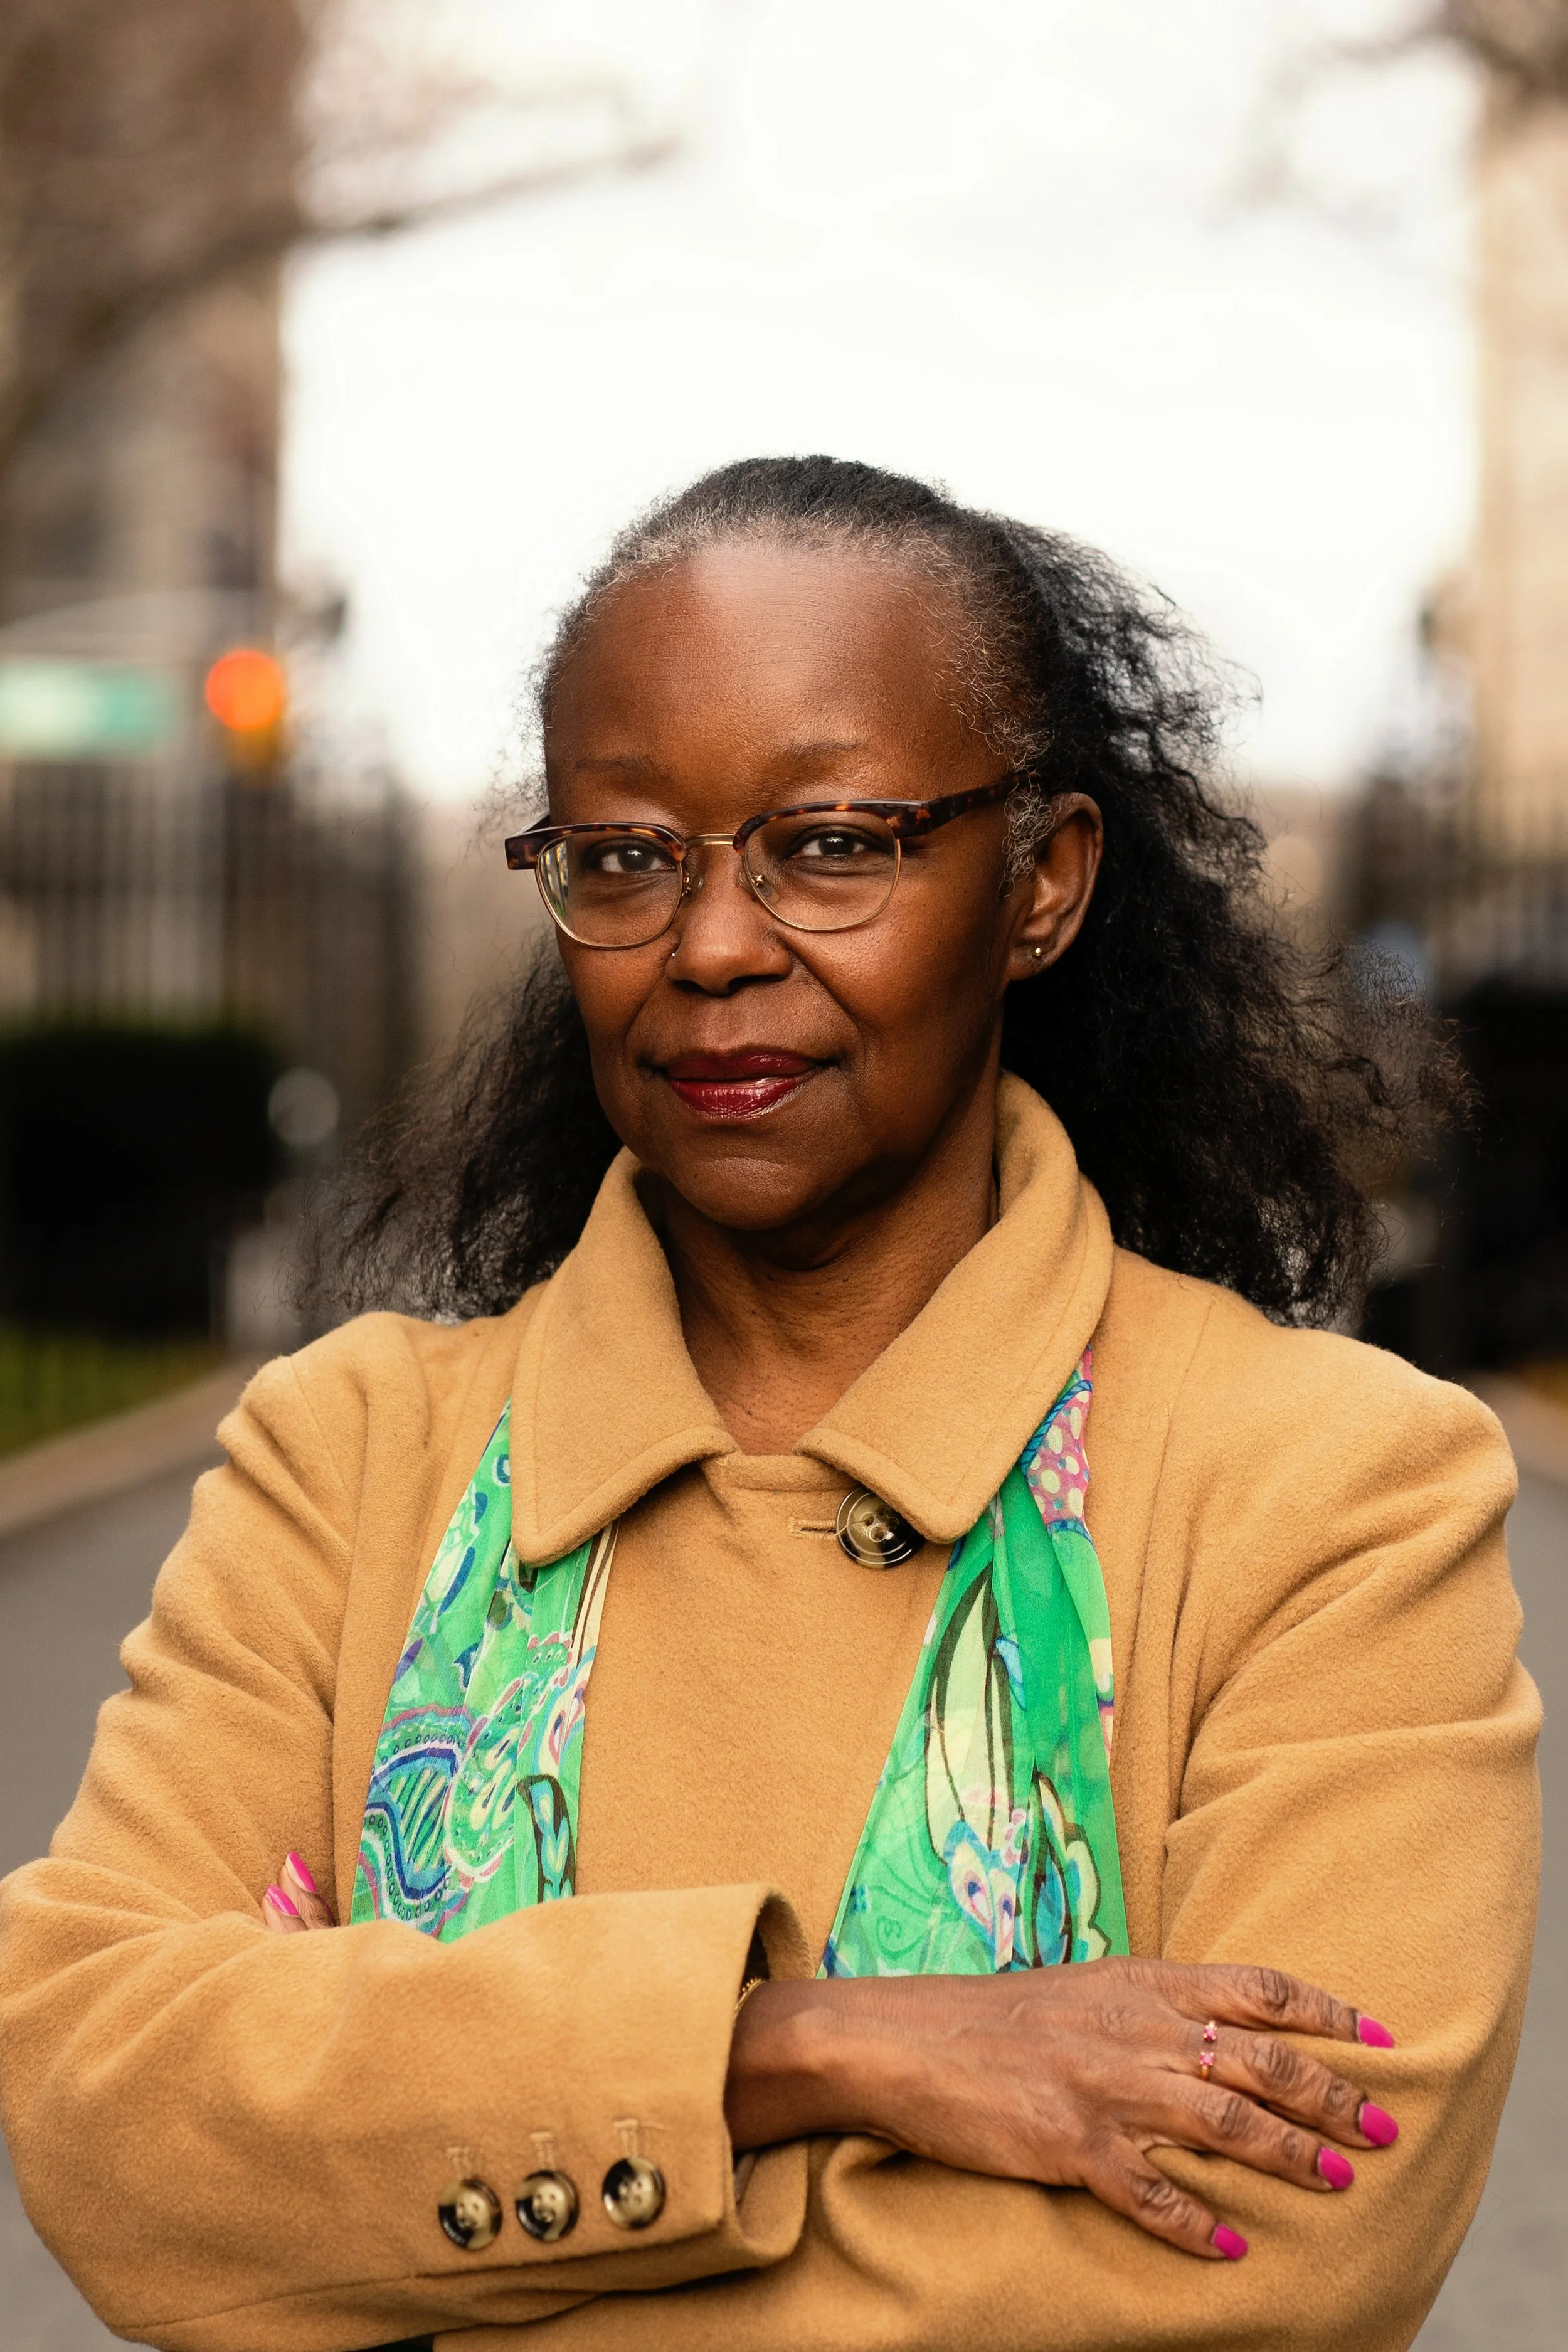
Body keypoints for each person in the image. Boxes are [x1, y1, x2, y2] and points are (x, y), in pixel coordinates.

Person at [0, 457, 1539, 2352]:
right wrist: (803, 2042)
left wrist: (393, 2193)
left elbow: (1285, 2244)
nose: (712, 944)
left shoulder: (1322, 1487)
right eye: (625, 855)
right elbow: (112, 2119)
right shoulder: (351, 1458)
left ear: (1041, 884)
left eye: (831, 841)